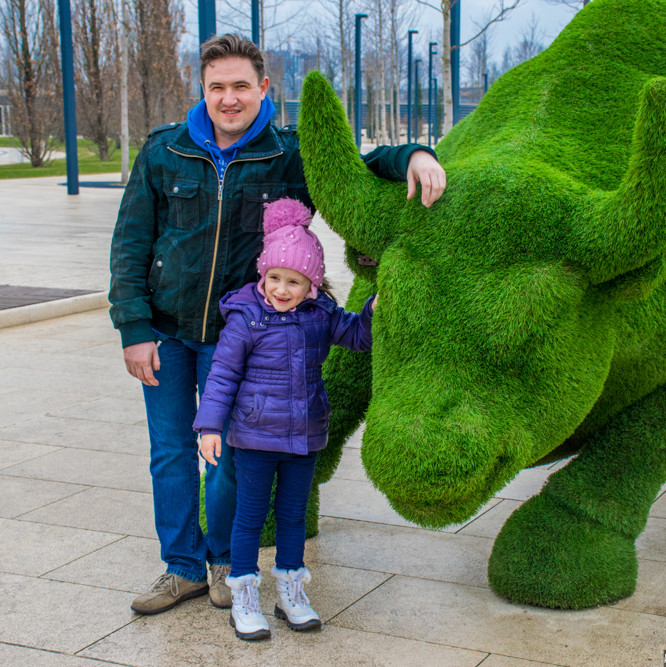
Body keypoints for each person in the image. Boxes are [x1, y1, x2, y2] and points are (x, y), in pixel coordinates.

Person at [109, 32, 446, 615]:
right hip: (165, 330)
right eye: (218, 87)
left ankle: (221, 564)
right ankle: (181, 567)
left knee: (227, 458)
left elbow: (355, 171)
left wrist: (413, 154)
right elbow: (131, 242)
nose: (229, 98)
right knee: (169, 452)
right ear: (204, 89)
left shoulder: (287, 154)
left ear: (263, 88)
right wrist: (133, 328)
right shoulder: (164, 152)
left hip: (237, 334)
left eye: (241, 85)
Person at [193, 198, 376, 641]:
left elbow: (357, 336)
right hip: (254, 437)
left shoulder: (320, 315)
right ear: (263, 275)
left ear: (311, 284)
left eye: (293, 281)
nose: (281, 288)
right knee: (250, 517)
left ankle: (291, 592)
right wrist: (210, 426)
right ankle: (244, 595)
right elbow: (222, 374)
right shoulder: (246, 317)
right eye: (274, 277)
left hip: (304, 436)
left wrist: (373, 309)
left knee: (293, 516)